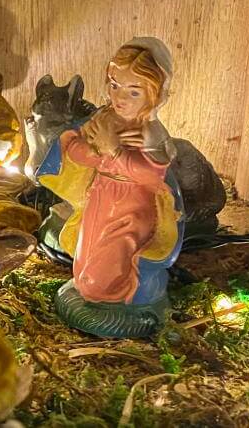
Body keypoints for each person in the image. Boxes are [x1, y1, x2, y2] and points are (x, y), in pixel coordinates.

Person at [38, 37, 184, 311]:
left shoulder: (150, 133)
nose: (119, 97)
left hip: (132, 209)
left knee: (99, 280)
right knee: (83, 269)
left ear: (154, 94)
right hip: (101, 201)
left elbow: (151, 176)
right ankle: (97, 294)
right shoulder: (105, 118)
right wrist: (96, 152)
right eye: (115, 86)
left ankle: (129, 298)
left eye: (133, 92)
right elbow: (75, 150)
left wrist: (114, 152)